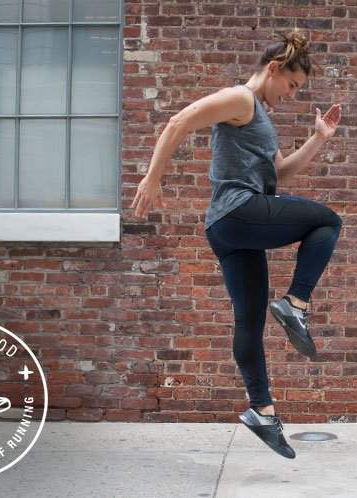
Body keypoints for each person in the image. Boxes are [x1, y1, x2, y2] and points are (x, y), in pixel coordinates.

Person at [131, 29, 343, 459]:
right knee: (327, 221)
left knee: (249, 321)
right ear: (273, 69)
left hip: (229, 227)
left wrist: (320, 138)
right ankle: (296, 305)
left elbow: (280, 174)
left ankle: (262, 411)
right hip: (238, 211)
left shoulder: (259, 118)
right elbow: (179, 120)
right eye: (292, 84)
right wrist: (153, 177)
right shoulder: (241, 99)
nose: (292, 94)